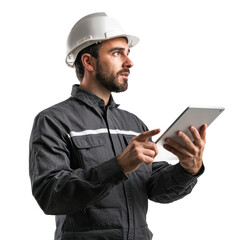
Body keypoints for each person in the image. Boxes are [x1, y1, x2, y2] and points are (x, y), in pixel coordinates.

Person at [29, 12, 206, 240]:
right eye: (116, 53)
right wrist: (118, 166)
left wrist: (187, 169)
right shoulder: (54, 121)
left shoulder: (133, 124)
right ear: (88, 61)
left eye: (128, 53)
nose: (129, 62)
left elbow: (153, 187)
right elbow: (51, 195)